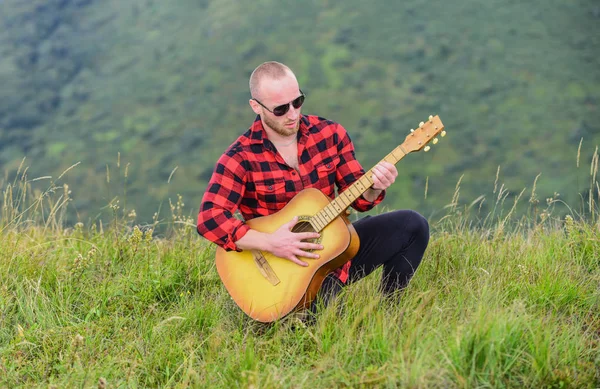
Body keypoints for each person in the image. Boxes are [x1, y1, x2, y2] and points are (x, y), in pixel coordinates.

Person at [197, 61, 429, 319]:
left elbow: (360, 198)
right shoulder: (240, 157)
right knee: (332, 328)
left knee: (412, 225)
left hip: (335, 251)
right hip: (290, 273)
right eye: (280, 109)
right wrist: (272, 243)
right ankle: (296, 312)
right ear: (256, 106)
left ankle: (392, 316)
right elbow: (209, 219)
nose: (293, 114)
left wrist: (373, 188)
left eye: (298, 102)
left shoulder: (330, 134)